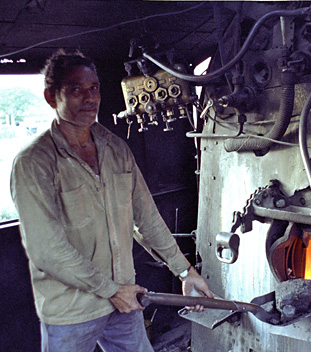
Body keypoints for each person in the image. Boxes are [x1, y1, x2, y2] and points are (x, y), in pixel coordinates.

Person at [10, 49, 213, 352]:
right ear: (52, 97)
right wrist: (111, 290)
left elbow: (147, 219)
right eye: (76, 90)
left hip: (123, 302)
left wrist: (185, 271)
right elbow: (46, 250)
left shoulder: (116, 149)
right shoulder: (34, 163)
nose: (89, 98)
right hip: (72, 311)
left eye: (94, 89)